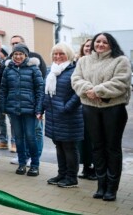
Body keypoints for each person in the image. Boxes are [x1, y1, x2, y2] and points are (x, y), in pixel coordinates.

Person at [71, 32, 131, 201]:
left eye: (105, 42)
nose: (100, 44)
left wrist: (97, 91)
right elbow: (76, 79)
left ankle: (112, 188)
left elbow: (121, 82)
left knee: (112, 148)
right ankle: (101, 185)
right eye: (98, 41)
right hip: (90, 109)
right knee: (97, 147)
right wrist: (88, 89)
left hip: (113, 109)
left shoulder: (121, 60)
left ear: (111, 44)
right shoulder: (84, 61)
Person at [0, 43, 45, 177]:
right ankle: (22, 163)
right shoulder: (9, 69)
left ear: (26, 55)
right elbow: (3, 89)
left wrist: (38, 109)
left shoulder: (33, 69)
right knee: (18, 138)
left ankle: (35, 165)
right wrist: (4, 107)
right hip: (14, 109)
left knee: (31, 137)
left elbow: (40, 90)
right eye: (15, 54)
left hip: (29, 110)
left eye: (21, 54)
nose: (18, 56)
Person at [43, 42, 83, 188]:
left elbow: (79, 93)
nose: (58, 56)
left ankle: (72, 178)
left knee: (69, 147)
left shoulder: (75, 71)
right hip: (54, 117)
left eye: (61, 53)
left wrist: (66, 108)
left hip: (69, 116)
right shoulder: (52, 71)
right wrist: (41, 109)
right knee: (59, 145)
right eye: (55, 54)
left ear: (69, 55)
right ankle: (62, 174)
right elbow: (46, 92)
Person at [77, 38, 96, 180]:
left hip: (95, 105)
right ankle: (86, 166)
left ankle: (96, 168)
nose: (88, 48)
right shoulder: (78, 63)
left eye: (90, 46)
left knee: (94, 138)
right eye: (86, 46)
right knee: (83, 140)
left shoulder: (98, 63)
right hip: (80, 106)